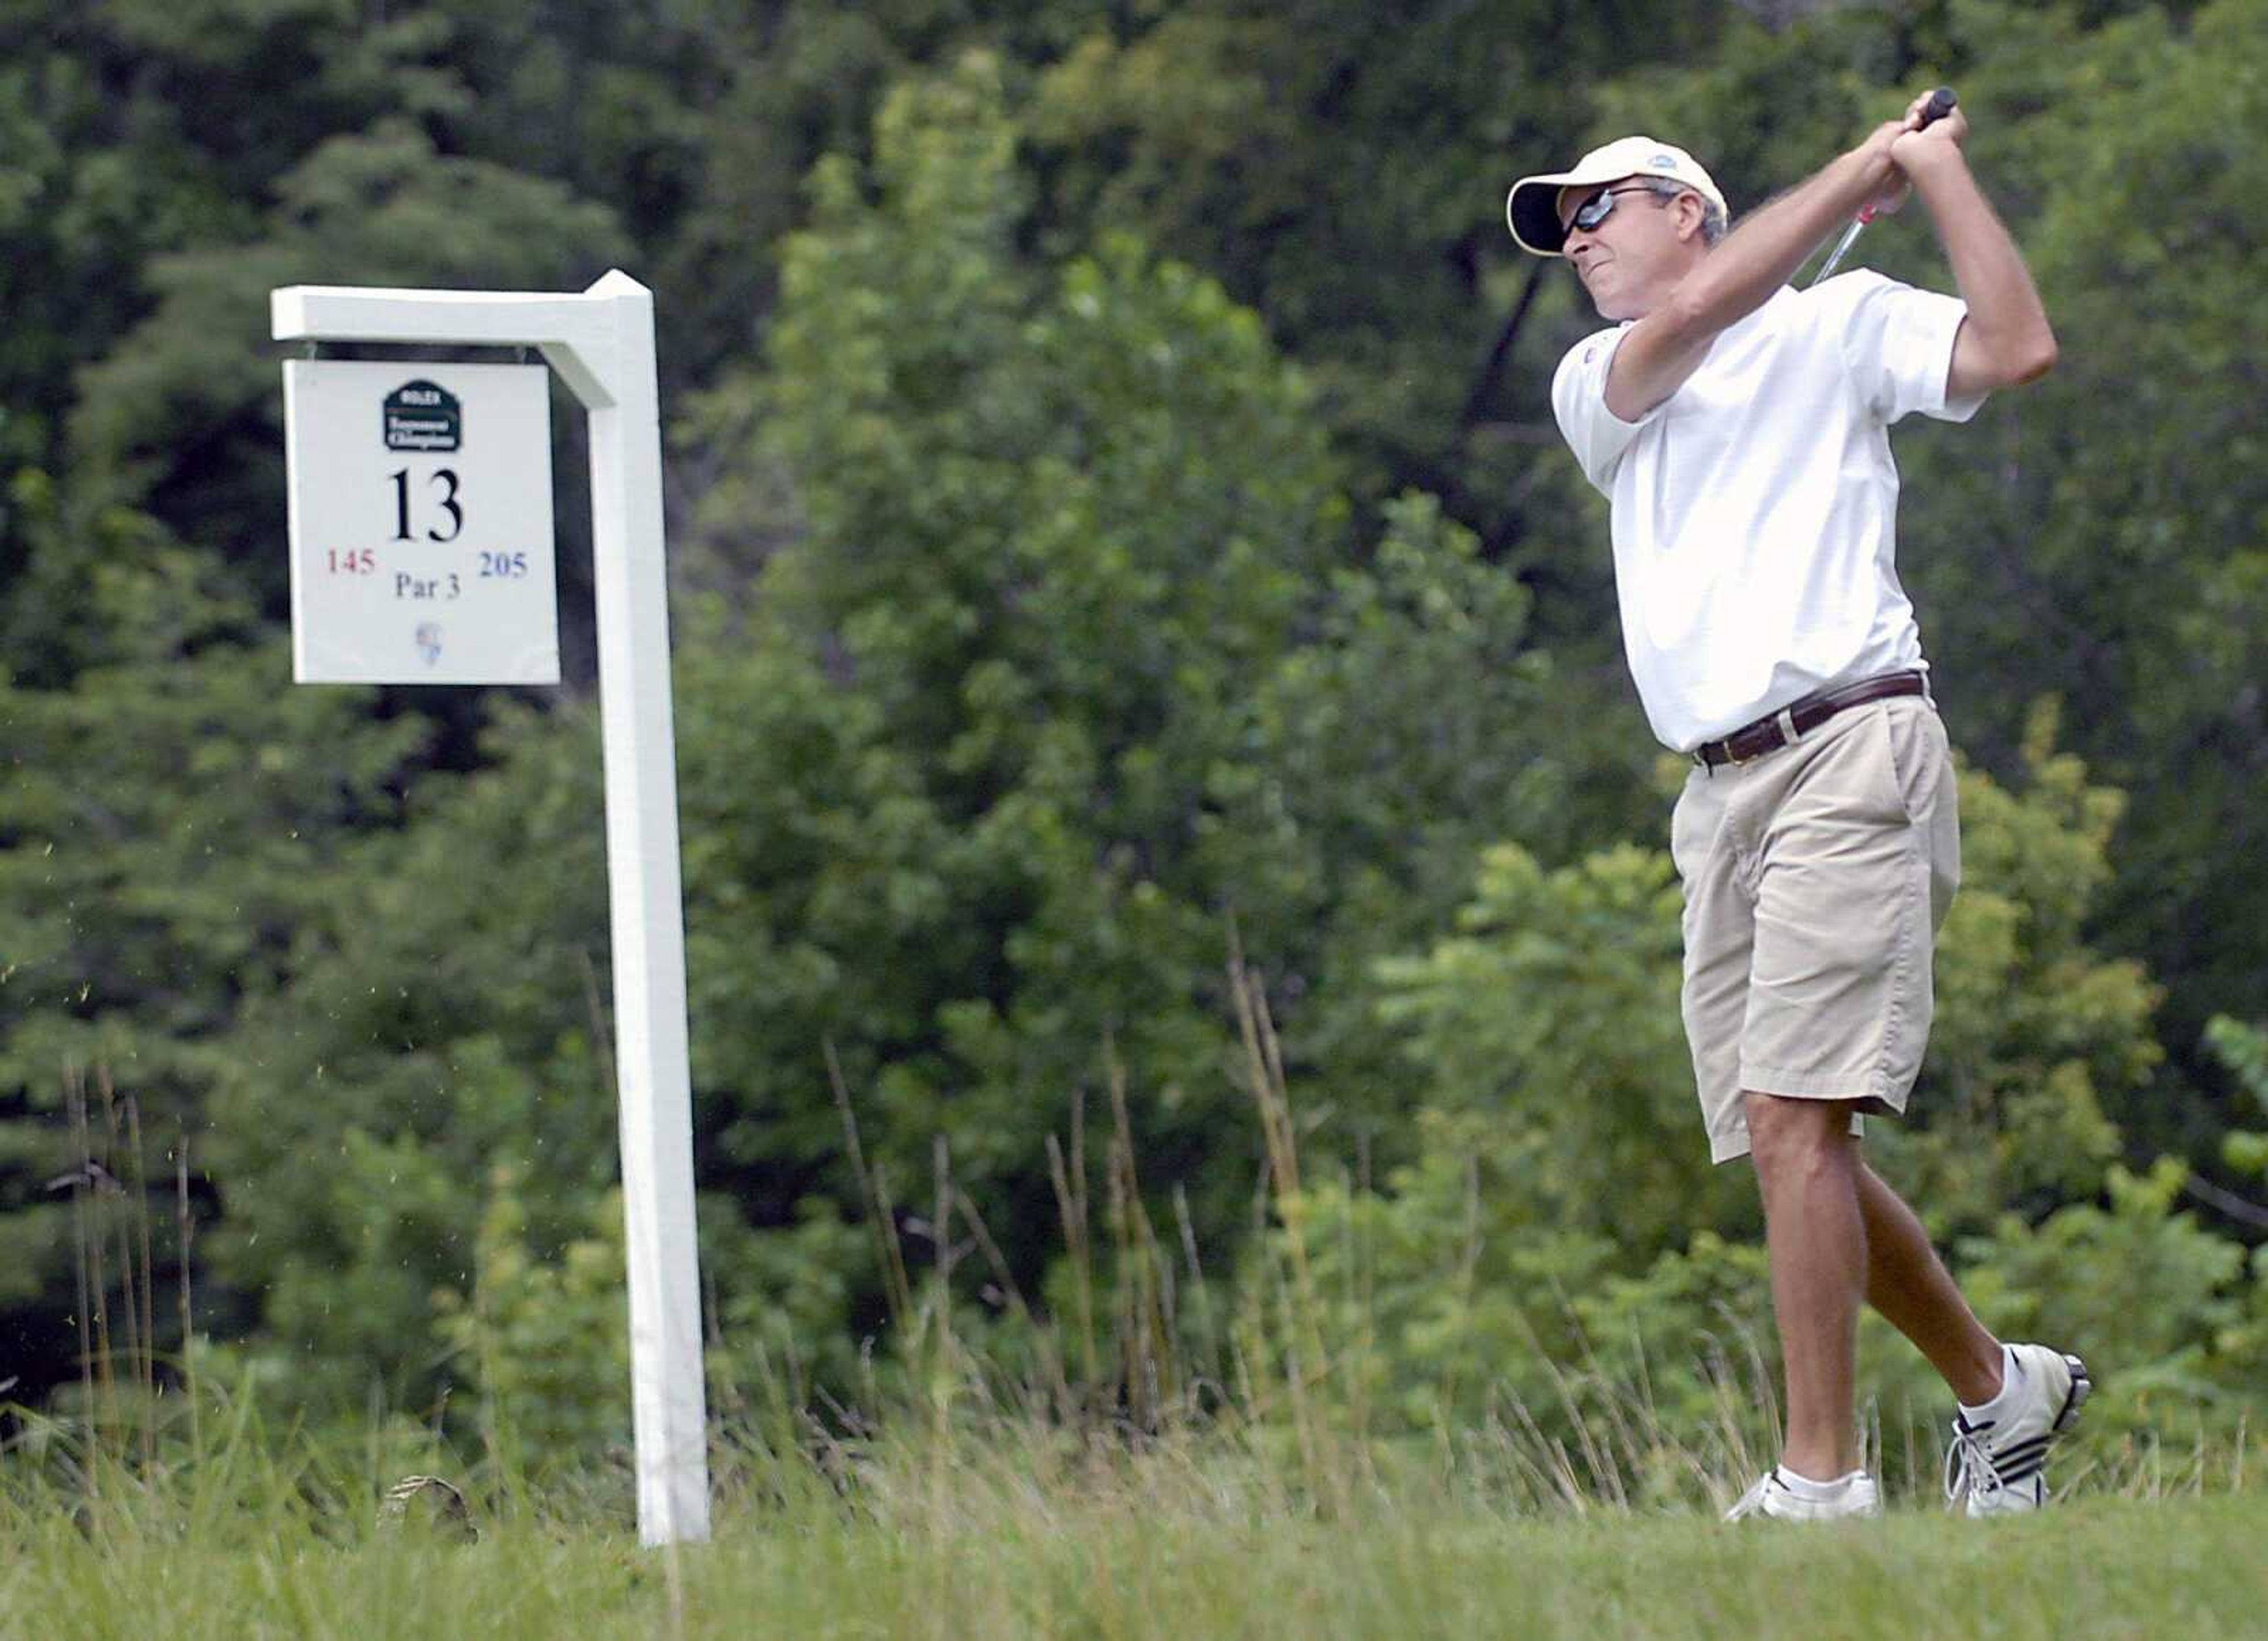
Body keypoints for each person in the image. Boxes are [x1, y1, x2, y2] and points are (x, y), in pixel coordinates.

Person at [1505, 93, 2087, 1521]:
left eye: (1601, 208)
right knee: (1789, 1145)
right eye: (1562, 225)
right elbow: (1706, 306)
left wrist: (1935, 171)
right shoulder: (1601, 377)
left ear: (1686, 207)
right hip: (1716, 796)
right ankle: (1997, 1388)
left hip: (1851, 742)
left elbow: (2017, 347)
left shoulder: (1840, 324)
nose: (1576, 240)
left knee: (1792, 1122)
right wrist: (1855, 171)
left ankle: (1821, 1483)